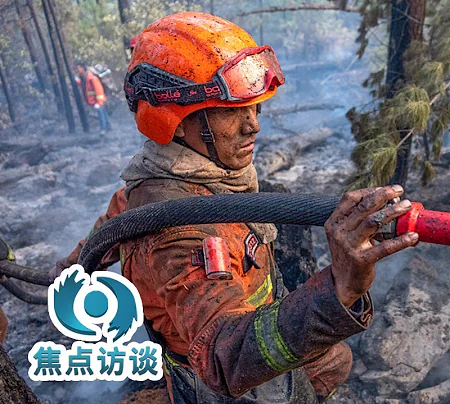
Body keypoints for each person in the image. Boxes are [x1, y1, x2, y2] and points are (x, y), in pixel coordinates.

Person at [53, 12, 418, 404]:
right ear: (173, 119)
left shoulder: (183, 182)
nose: (253, 125)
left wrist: (66, 271)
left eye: (254, 106)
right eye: (230, 110)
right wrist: (338, 290)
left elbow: (105, 235)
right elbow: (225, 357)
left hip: (253, 332)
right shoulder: (175, 233)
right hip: (226, 379)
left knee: (335, 361)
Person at [76, 63, 112, 134]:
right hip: (97, 100)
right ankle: (108, 126)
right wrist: (77, 81)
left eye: (78, 68)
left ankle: (103, 129)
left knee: (101, 113)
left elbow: (99, 91)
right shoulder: (85, 77)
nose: (77, 70)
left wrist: (99, 103)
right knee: (103, 112)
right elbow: (85, 86)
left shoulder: (92, 78)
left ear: (83, 68)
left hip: (99, 100)